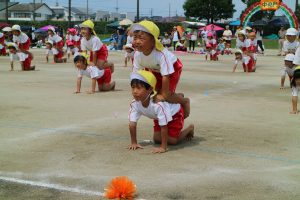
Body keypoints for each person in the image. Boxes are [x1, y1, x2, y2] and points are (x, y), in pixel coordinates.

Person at [130, 20, 190, 118]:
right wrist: (136, 90)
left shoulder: (161, 54)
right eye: (135, 38)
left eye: (141, 38)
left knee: (165, 96)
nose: (136, 41)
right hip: (154, 69)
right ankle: (176, 96)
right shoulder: (137, 54)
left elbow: (166, 76)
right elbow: (137, 74)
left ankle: (185, 101)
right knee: (156, 93)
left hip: (172, 69)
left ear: (153, 41)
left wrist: (164, 95)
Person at [128, 70, 194, 153]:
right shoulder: (134, 104)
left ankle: (190, 128)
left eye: (138, 88)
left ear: (150, 90)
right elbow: (132, 124)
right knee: (157, 139)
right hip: (158, 116)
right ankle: (178, 96)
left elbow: (164, 126)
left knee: (173, 141)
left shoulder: (157, 105)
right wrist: (134, 143)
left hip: (174, 113)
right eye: (133, 87)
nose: (134, 91)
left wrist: (163, 147)